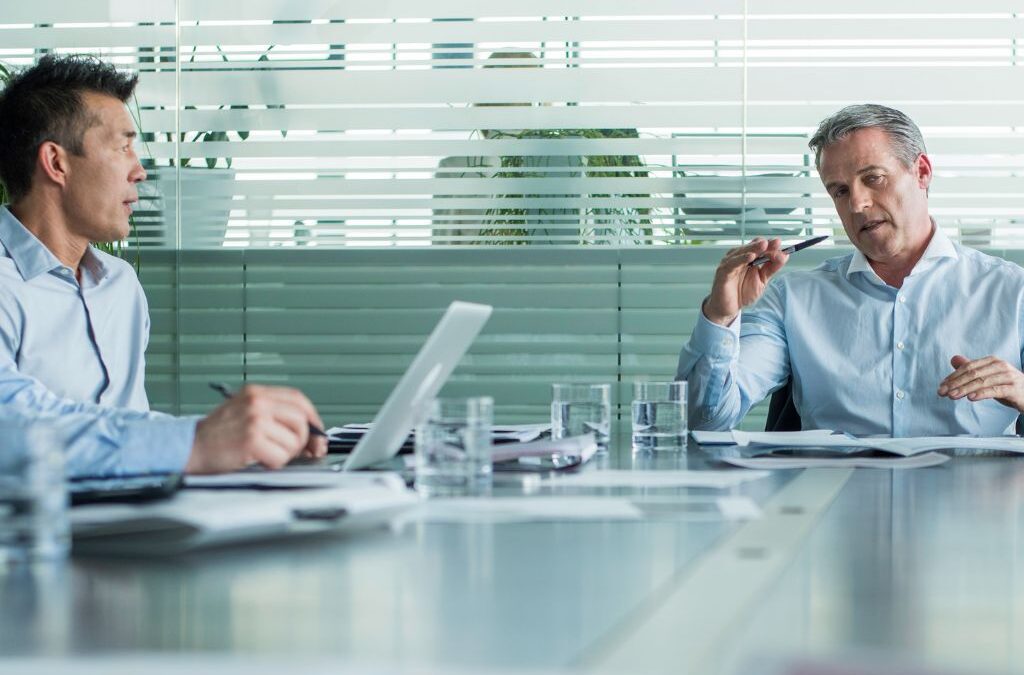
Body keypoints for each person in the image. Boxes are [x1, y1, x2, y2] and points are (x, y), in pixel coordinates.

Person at [0, 54, 326, 475]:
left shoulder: (120, 285)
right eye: (122, 147)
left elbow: (127, 437)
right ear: (57, 162)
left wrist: (246, 444)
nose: (140, 171)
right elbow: (11, 426)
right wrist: (197, 440)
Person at [676, 103, 1024, 436]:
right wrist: (720, 317)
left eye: (873, 178)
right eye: (839, 191)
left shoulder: (1012, 291)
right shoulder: (792, 300)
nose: (857, 204)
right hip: (835, 493)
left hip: (973, 494)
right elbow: (704, 422)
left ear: (921, 172)